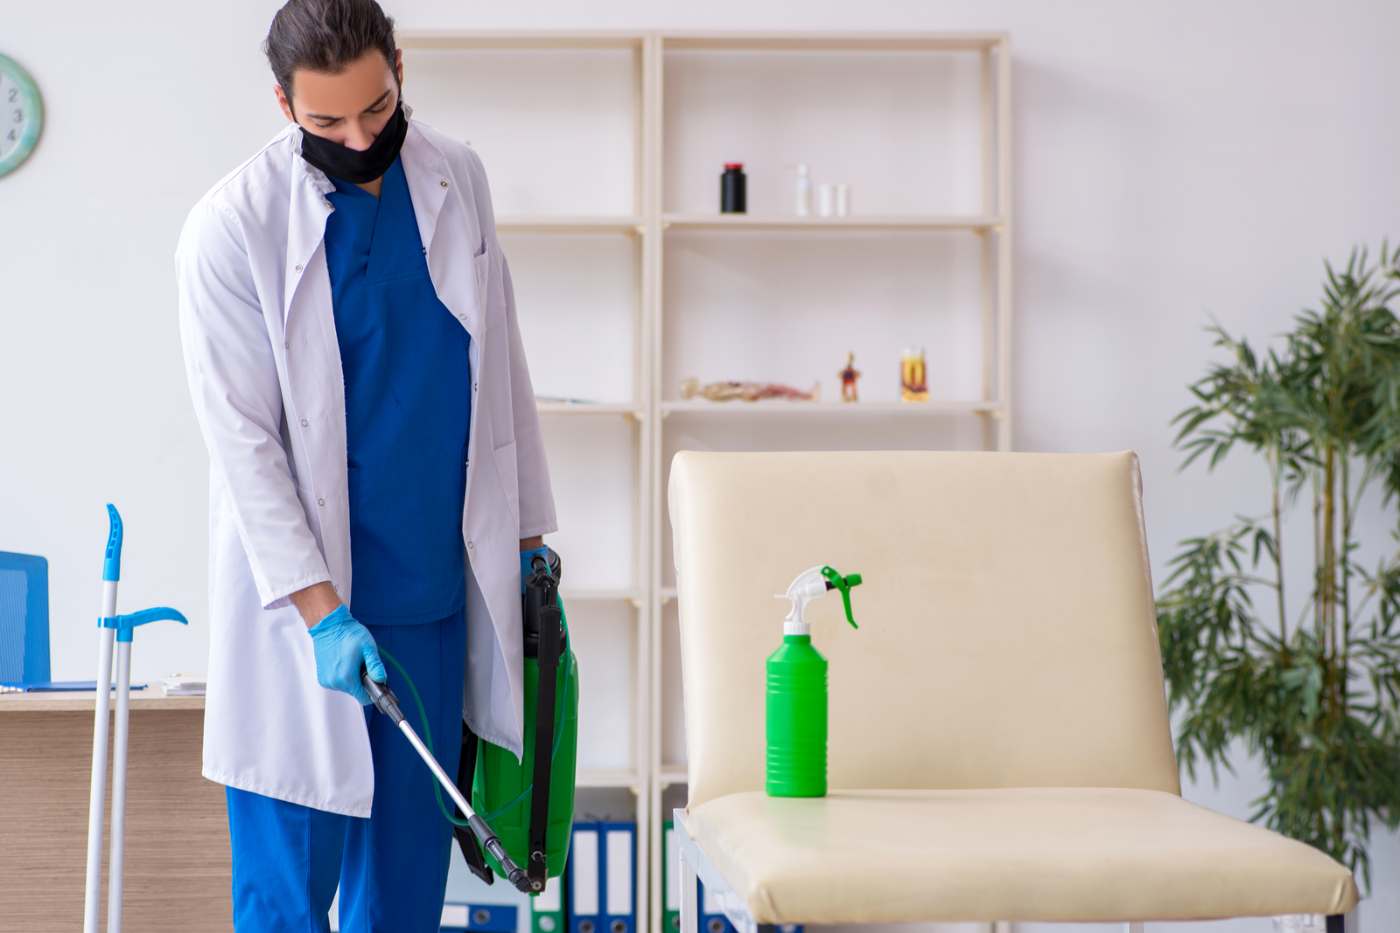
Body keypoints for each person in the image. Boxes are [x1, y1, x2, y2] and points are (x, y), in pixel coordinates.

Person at [173, 0, 558, 928]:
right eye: (327, 122)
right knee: (286, 903)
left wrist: (530, 547)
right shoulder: (232, 228)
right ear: (282, 103)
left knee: (402, 898)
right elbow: (246, 447)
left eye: (377, 110)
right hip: (309, 631)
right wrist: (321, 614)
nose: (359, 136)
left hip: (429, 600)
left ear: (397, 66)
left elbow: (500, 369)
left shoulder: (456, 178)